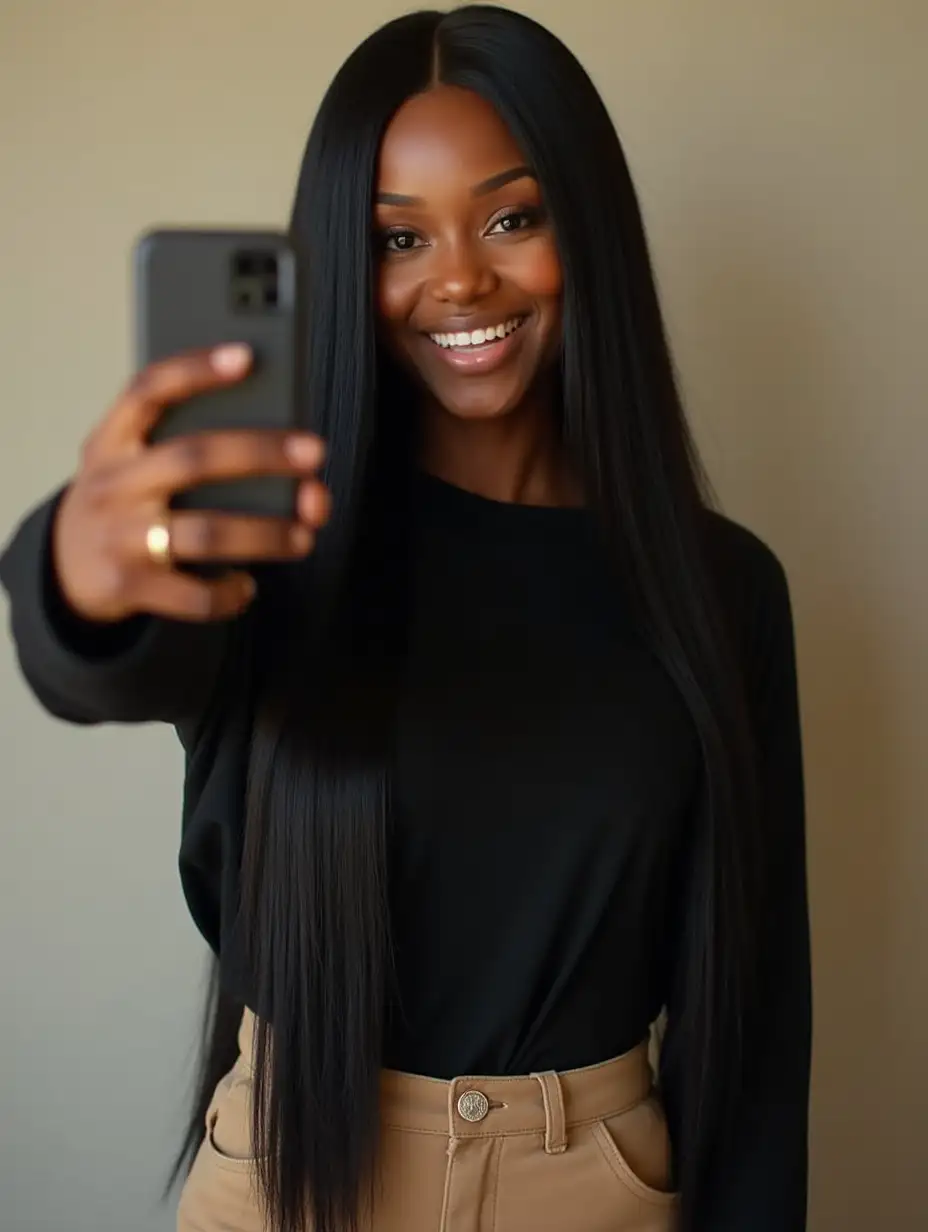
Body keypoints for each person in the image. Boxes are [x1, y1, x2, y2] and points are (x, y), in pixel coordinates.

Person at [0, 6, 812, 1232]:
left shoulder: (724, 589)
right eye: (396, 237)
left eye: (511, 217)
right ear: (343, 260)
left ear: (582, 229)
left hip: (594, 1188)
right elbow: (110, 663)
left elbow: (750, 1022)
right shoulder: (277, 547)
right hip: (293, 1178)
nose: (460, 279)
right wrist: (74, 567)